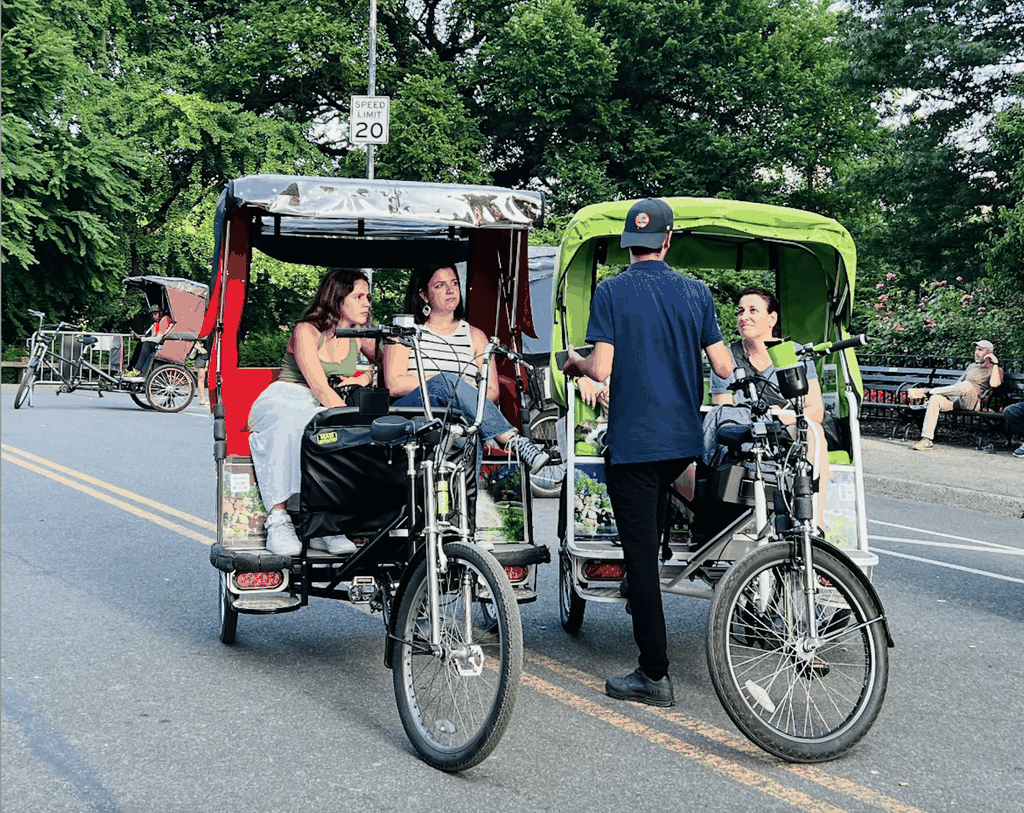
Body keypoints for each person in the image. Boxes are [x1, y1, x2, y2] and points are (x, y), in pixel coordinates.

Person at [561, 198, 733, 708]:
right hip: (682, 444)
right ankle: (649, 616)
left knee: (639, 556)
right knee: (654, 534)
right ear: (667, 240)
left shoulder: (611, 291)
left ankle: (653, 672)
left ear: (628, 244)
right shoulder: (697, 292)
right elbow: (723, 366)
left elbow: (600, 369)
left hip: (634, 444)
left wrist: (573, 362)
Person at [248, 269, 377, 556]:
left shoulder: (358, 332)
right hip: (289, 395)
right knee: (297, 424)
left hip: (321, 403)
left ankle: (325, 524)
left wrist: (365, 378)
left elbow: (391, 361)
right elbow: (319, 386)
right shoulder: (306, 330)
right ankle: (278, 518)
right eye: (358, 296)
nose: (367, 303)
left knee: (331, 432)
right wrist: (348, 420)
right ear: (337, 298)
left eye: (367, 296)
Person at [383, 263, 551, 477]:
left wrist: (462, 394)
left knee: (468, 420)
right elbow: (394, 384)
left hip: (462, 418)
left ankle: (468, 504)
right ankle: (512, 440)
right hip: (416, 412)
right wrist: (448, 383)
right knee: (447, 382)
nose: (451, 290)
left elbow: (491, 391)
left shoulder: (475, 336)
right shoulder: (404, 332)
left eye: (454, 283)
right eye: (440, 285)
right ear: (424, 295)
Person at [703, 286, 832, 526]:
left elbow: (815, 409)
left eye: (753, 310)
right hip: (744, 431)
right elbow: (723, 412)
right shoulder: (726, 357)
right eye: (740, 311)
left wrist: (784, 418)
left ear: (772, 318)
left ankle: (815, 523)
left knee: (817, 433)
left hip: (784, 428)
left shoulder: (791, 354)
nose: (744, 317)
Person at [911, 340, 1004, 451]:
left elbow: (994, 384)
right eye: (976, 349)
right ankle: (926, 440)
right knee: (935, 399)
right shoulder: (971, 366)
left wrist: (995, 363)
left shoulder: (996, 370)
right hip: (959, 399)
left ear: (989, 353)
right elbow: (957, 385)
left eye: (980, 349)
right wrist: (940, 396)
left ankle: (929, 391)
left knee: (967, 385)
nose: (976, 352)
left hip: (974, 403)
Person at [124, 304, 171, 377]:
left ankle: (137, 369)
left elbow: (158, 339)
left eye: (155, 314)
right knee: (140, 344)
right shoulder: (157, 323)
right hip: (160, 344)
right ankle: (130, 368)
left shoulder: (165, 319)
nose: (154, 317)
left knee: (146, 344)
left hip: (165, 345)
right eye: (152, 315)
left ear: (161, 313)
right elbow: (153, 337)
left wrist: (141, 338)